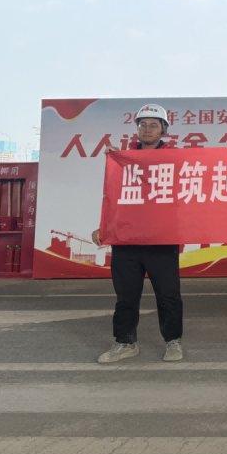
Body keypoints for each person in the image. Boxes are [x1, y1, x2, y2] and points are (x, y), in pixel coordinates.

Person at [91, 104, 184, 364]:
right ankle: (125, 343)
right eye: (143, 124)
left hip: (161, 239)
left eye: (154, 125)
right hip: (126, 239)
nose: (147, 129)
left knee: (168, 295)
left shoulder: (175, 159)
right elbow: (114, 198)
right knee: (126, 296)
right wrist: (105, 226)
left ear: (164, 129)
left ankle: (173, 341)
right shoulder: (123, 159)